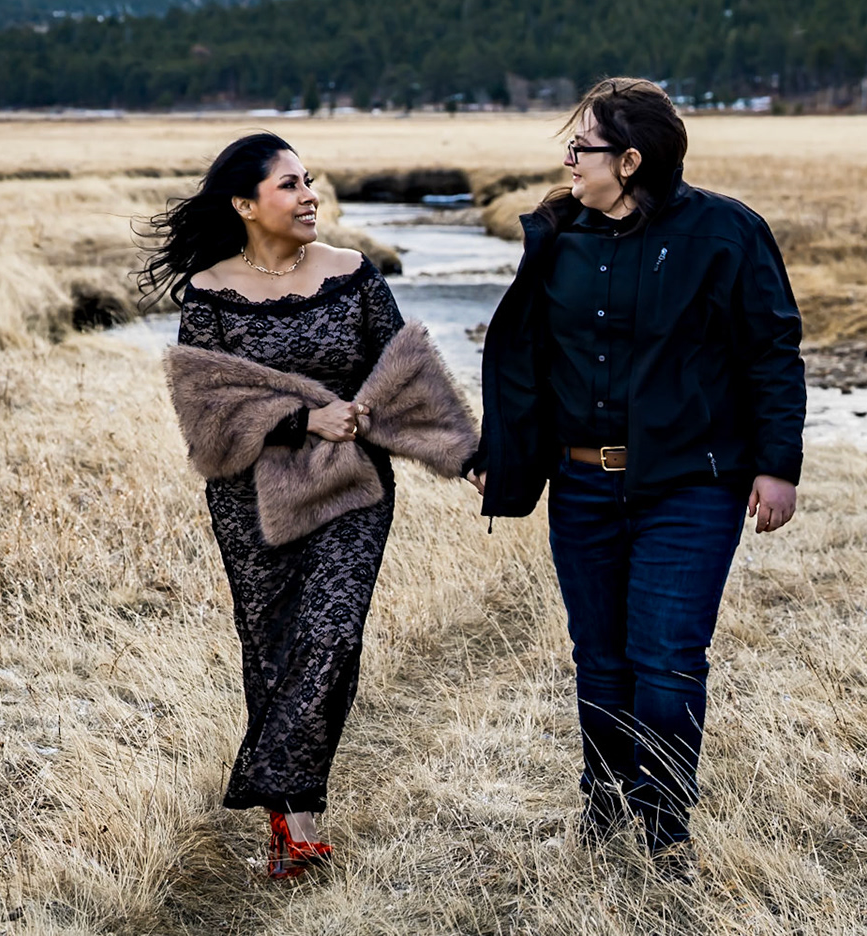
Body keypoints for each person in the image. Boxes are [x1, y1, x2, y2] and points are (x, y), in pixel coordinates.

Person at [469, 78, 805, 879]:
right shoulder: (559, 235)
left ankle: (664, 830)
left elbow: (772, 352)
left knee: (668, 658)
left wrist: (776, 465)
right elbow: (530, 365)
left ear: (629, 159)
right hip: (582, 486)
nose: (567, 158)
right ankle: (606, 805)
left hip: (691, 486)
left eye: (580, 145)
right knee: (602, 658)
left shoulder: (727, 233)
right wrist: (504, 454)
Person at [140, 132, 414, 880]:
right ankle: (295, 824)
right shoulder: (210, 292)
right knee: (272, 648)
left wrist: (474, 458)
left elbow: (403, 374)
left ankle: (287, 797)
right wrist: (301, 418)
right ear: (244, 204)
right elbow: (205, 412)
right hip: (249, 497)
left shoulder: (355, 275)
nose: (308, 195)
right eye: (289, 185)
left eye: (309, 181)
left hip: (350, 486)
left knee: (331, 637)